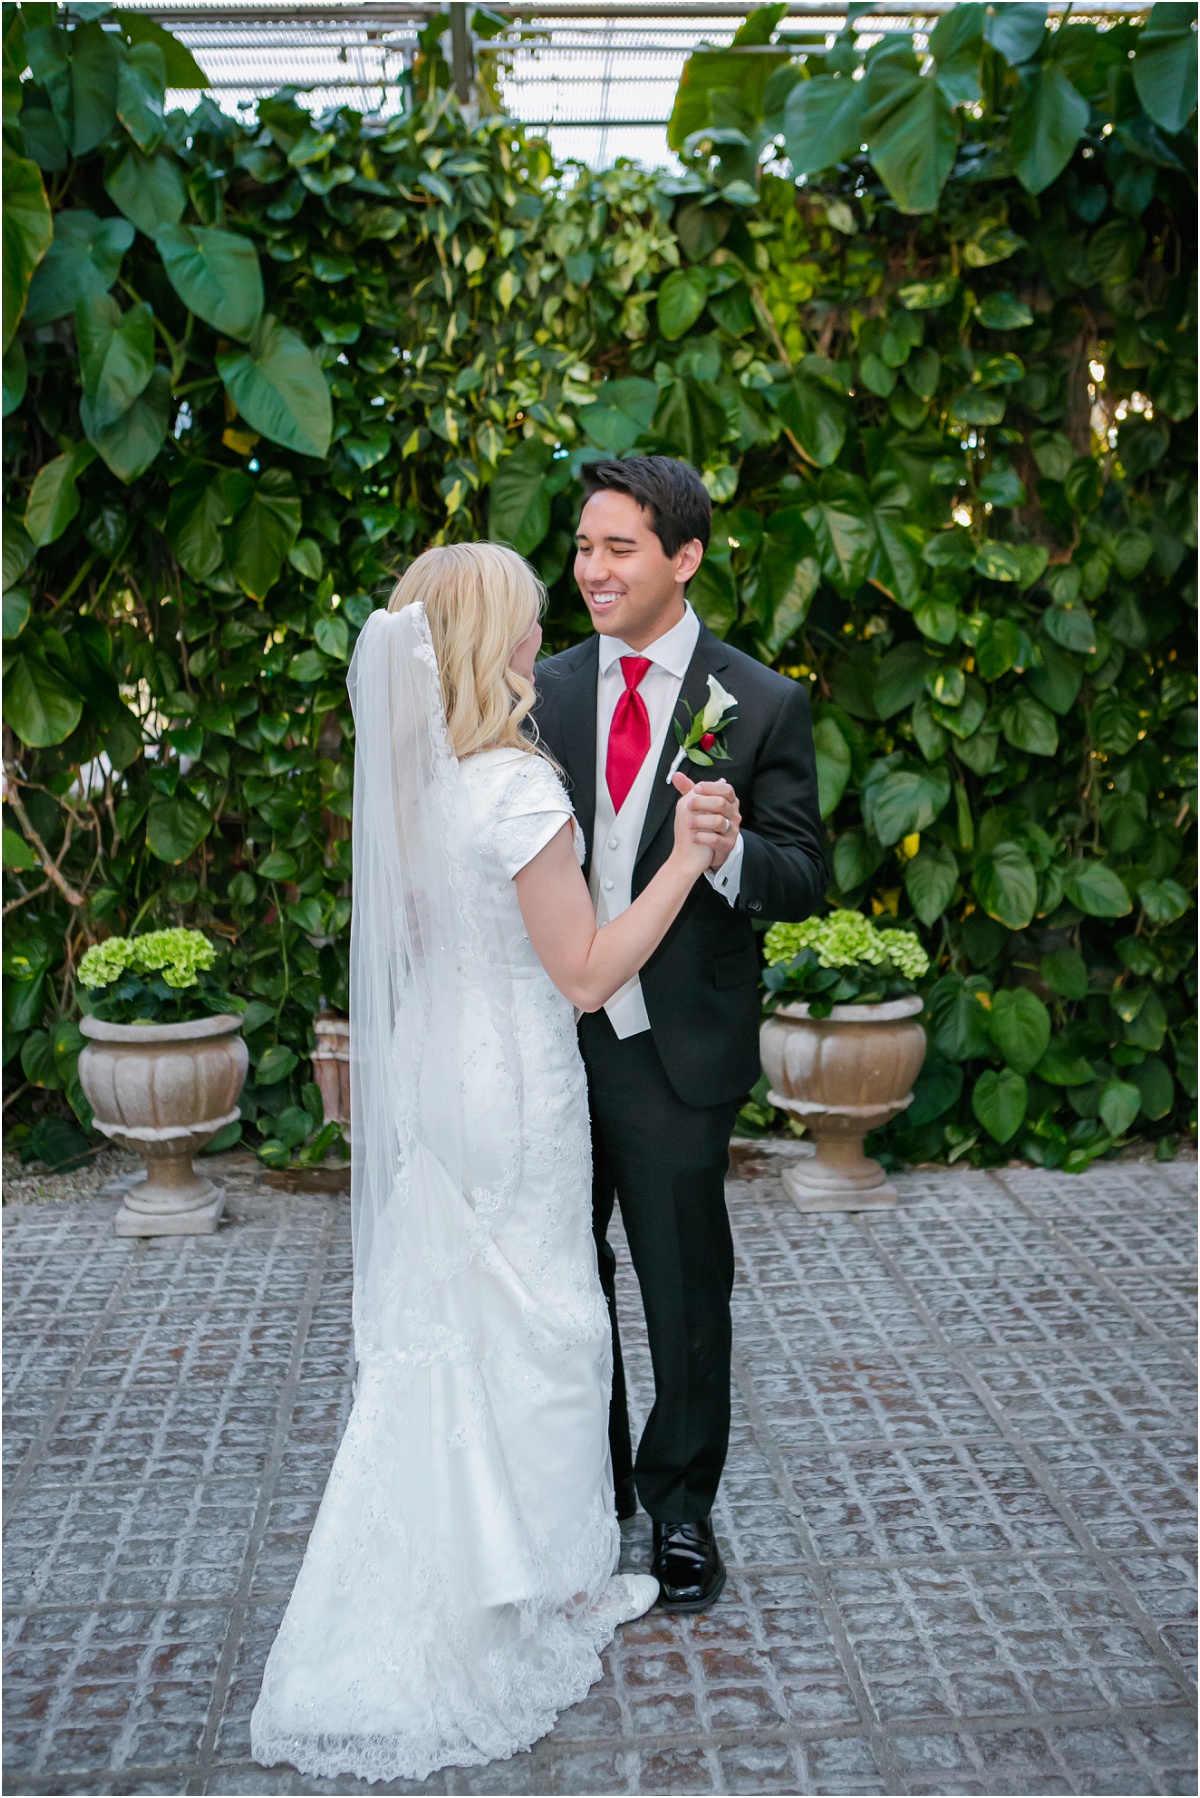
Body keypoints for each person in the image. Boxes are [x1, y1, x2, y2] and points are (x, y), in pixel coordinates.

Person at [250, 542, 732, 1785]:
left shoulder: (415, 788)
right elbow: (581, 970)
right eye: (525, 621)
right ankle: (551, 1584)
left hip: (442, 1087)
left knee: (458, 1317)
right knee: (552, 1319)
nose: (540, 638)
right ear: (488, 644)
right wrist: (685, 855)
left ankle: (463, 1554)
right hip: (519, 1081)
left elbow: (414, 952)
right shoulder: (516, 787)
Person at [533, 457, 826, 1612]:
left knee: (682, 1285)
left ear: (684, 558)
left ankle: (681, 1509)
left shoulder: (758, 701)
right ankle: (585, 1490)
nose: (591, 570)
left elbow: (804, 872)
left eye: (619, 549)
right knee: (560, 1275)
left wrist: (734, 847)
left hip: (674, 1044)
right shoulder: (540, 687)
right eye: (584, 547)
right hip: (547, 1037)